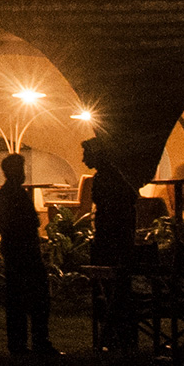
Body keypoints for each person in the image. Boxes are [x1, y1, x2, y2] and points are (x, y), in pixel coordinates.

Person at [0, 152, 59, 355]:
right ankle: (39, 342)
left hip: (14, 252)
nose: (23, 174)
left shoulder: (2, 196)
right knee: (38, 298)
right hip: (24, 252)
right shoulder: (16, 195)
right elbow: (29, 222)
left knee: (16, 299)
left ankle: (19, 344)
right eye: (20, 169)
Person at [82, 135, 141, 353]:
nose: (83, 159)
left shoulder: (103, 179)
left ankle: (114, 336)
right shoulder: (121, 178)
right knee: (119, 291)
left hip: (108, 242)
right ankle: (122, 336)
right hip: (121, 241)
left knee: (111, 291)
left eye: (86, 153)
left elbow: (106, 209)